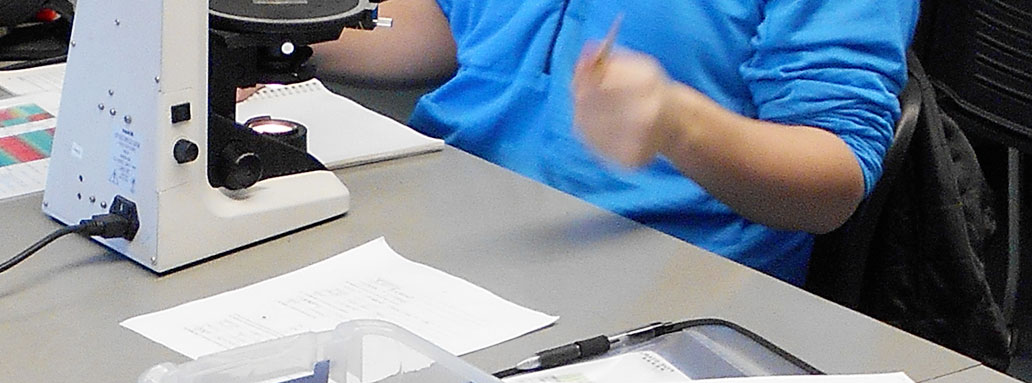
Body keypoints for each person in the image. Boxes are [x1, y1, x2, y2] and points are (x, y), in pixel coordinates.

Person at [314, 0, 916, 284]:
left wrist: (678, 123)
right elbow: (452, 23)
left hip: (658, 280)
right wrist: (281, 27)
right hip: (446, 231)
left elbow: (834, 180)